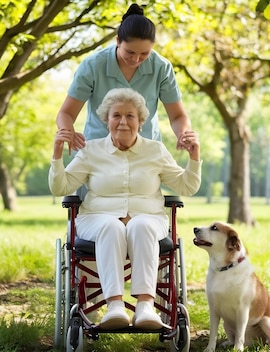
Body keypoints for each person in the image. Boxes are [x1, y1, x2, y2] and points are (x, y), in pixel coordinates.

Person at [49, 88, 201, 330]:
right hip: (97, 219)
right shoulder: (91, 150)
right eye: (116, 115)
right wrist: (57, 156)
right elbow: (60, 187)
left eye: (130, 116)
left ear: (141, 122)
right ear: (106, 120)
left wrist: (194, 158)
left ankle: (145, 307)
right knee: (111, 226)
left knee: (140, 224)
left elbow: (187, 186)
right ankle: (115, 307)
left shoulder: (155, 151)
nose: (123, 121)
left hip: (149, 219)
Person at [55, 3, 194, 154]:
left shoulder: (161, 67)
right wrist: (67, 131)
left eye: (144, 54)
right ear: (118, 41)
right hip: (98, 151)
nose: (136, 59)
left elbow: (178, 116)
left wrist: (183, 134)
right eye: (130, 52)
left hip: (145, 152)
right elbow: (66, 113)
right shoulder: (93, 65)